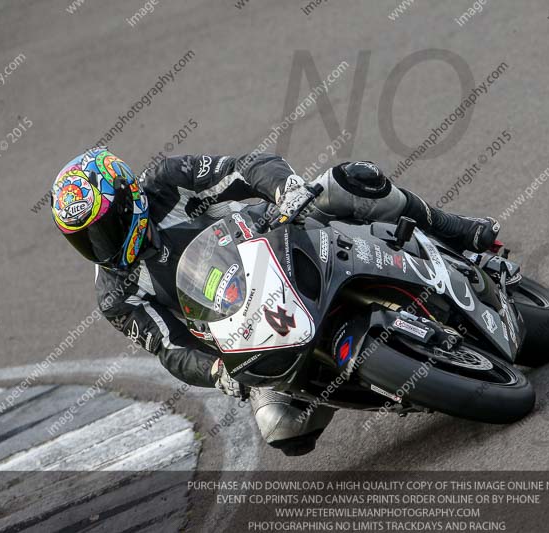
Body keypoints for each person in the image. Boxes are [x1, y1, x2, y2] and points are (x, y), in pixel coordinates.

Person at [50, 147, 499, 455]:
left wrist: (286, 190)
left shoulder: (168, 181)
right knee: (283, 428)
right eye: (83, 240)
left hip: (282, 239)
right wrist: (213, 370)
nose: (99, 246)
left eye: (102, 228)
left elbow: (247, 166)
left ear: (128, 197)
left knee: (348, 180)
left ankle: (454, 228)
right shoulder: (116, 295)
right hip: (253, 326)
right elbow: (169, 349)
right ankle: (393, 384)